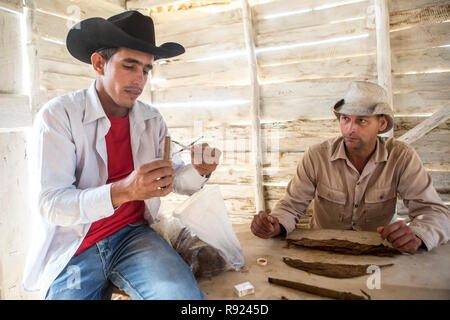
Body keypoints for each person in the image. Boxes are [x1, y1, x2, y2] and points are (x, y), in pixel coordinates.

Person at [22, 11, 221, 300]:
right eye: (130, 66)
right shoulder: (59, 116)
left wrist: (200, 170)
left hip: (134, 236)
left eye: (146, 70)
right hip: (76, 247)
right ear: (99, 63)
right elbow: (51, 204)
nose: (140, 80)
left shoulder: (151, 119)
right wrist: (123, 191)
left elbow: (175, 180)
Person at [251, 81, 449, 254]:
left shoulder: (401, 157)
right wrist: (275, 225)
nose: (350, 129)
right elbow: (291, 206)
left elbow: (435, 213)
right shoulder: (316, 156)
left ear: (381, 123)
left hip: (379, 250)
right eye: (345, 119)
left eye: (361, 120)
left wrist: (417, 235)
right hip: (321, 249)